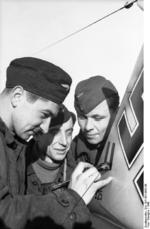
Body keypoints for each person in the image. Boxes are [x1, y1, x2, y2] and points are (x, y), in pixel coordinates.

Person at [0, 57, 112, 229]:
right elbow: (5, 214)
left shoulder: (15, 144)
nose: (44, 129)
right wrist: (71, 198)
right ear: (17, 96)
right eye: (44, 115)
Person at [69, 75, 123, 228]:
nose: (87, 127)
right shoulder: (72, 148)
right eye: (82, 117)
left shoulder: (135, 145)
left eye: (97, 118)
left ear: (116, 113)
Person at [26, 106, 76, 195]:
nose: (64, 142)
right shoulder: (15, 165)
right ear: (37, 134)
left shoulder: (76, 174)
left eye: (69, 133)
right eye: (55, 133)